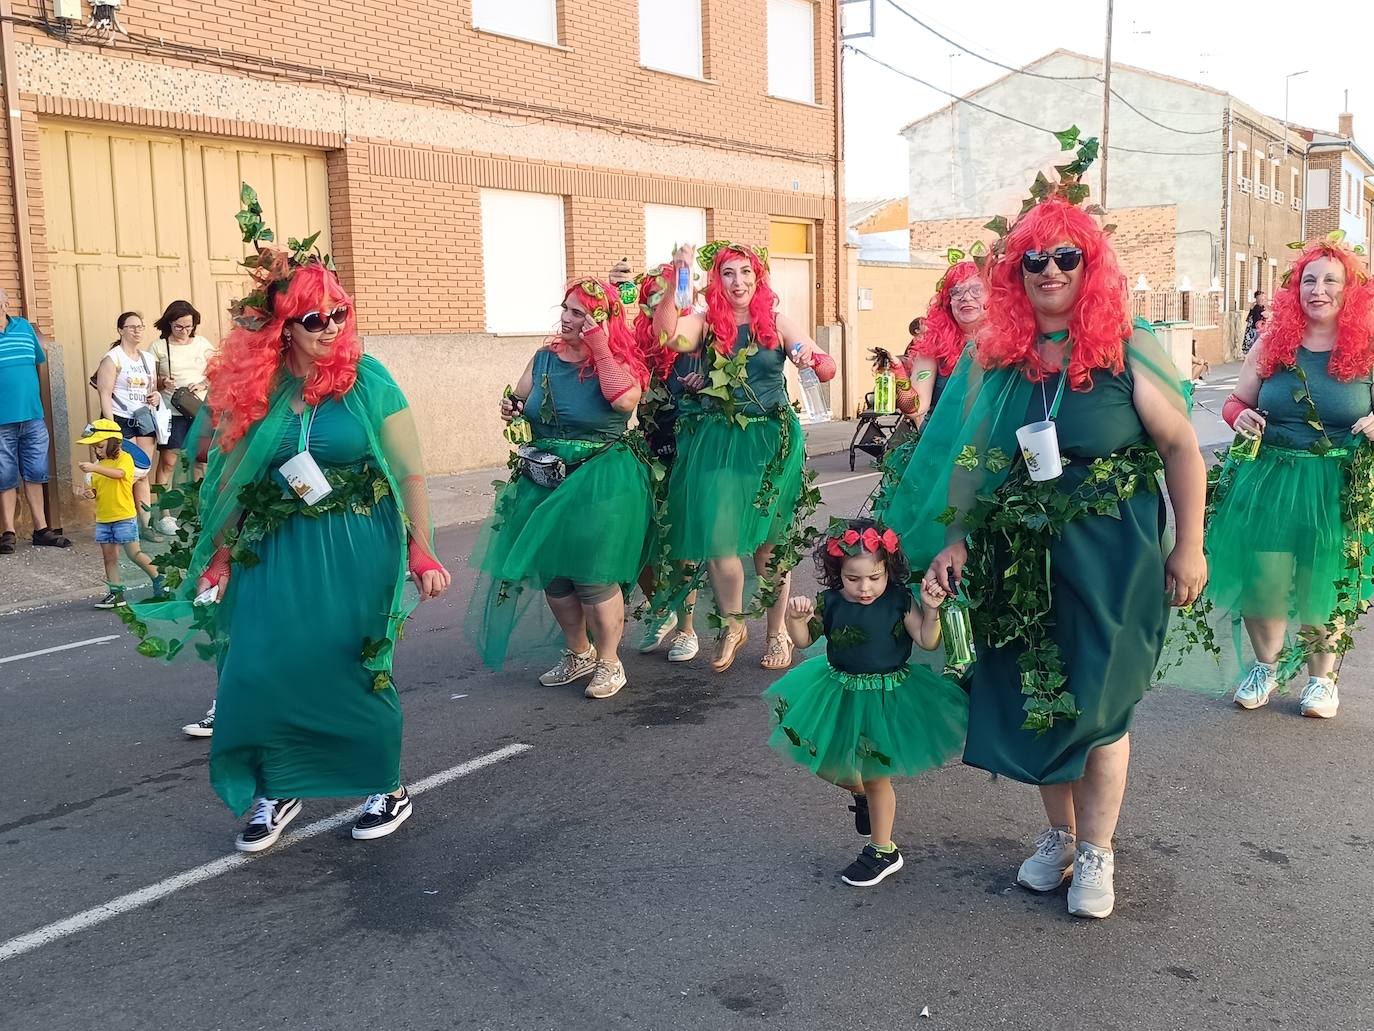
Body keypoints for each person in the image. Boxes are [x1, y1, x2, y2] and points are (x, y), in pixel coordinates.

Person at [127, 192, 450, 852]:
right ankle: (279, 785)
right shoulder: (258, 389)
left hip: (359, 541)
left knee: (353, 666)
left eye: (339, 312)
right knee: (262, 665)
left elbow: (407, 470)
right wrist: (217, 554)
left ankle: (383, 785)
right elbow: (231, 480)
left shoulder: (370, 380)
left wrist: (421, 551)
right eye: (314, 317)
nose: (331, 326)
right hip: (275, 544)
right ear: (283, 326)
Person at [914, 194, 1207, 919]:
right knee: (1041, 692)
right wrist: (955, 536)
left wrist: (1189, 546)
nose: (1049, 270)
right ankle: (1060, 835)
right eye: (1033, 259)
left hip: (1113, 553)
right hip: (1020, 556)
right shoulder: (999, 359)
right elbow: (970, 462)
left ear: (1091, 265)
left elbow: (1180, 447)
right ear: (1016, 273)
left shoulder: (1125, 347)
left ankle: (1098, 850)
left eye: (1065, 256)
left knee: (1102, 702)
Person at [650, 240, 837, 673]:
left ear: (759, 278)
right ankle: (732, 624)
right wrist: (674, 280)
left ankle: (776, 634)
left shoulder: (775, 321)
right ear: (717, 281)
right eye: (729, 273)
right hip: (718, 437)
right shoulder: (704, 325)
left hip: (771, 440)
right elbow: (667, 335)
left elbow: (825, 368)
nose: (739, 282)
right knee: (719, 538)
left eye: (746, 272)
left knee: (769, 546)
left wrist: (815, 358)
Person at [1208, 238, 1374, 719]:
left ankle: (1322, 680)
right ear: (1294, 290)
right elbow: (1236, 400)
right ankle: (1266, 666)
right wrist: (1237, 415)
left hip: (1338, 482)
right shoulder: (1271, 343)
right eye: (1308, 280)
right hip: (1271, 476)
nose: (1317, 290)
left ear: (1350, 292)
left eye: (1330, 281)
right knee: (1266, 577)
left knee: (1322, 580)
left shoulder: (1366, 347)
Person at [475, 277, 653, 700]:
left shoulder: (621, 361)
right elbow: (521, 397)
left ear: (605, 320)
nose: (569, 318)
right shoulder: (544, 358)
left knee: (594, 576)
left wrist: (599, 345)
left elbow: (624, 402)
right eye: (567, 309)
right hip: (547, 476)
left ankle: (610, 662)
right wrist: (511, 407)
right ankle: (579, 653)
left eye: (581, 313)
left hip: (601, 478)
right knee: (555, 575)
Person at [764, 518, 968, 887]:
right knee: (824, 762)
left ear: (887, 568)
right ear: (837, 572)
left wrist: (931, 609)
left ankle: (882, 849)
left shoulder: (899, 600)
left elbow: (927, 640)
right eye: (853, 578)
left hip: (888, 696)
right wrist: (795, 619)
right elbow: (803, 641)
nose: (865, 588)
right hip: (838, 691)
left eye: (874, 577)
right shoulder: (830, 602)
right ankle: (861, 796)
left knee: (876, 776)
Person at [871, 262, 987, 520]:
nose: (966, 297)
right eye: (956, 292)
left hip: (992, 453)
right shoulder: (932, 348)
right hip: (940, 456)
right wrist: (900, 375)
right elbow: (915, 407)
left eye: (976, 289)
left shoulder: (1012, 342)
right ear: (947, 303)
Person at [632, 262, 701, 663]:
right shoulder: (636, 345)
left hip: (689, 450)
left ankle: (688, 629)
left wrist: (701, 387)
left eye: (669, 295)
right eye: (654, 296)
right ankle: (661, 608)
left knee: (681, 543)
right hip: (646, 448)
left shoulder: (693, 340)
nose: (661, 304)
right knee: (640, 543)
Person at [0, 287, 69, 553]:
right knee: (5, 477)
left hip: (33, 417)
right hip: (2, 422)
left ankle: (41, 530)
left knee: (35, 474)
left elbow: (37, 363)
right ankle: (7, 532)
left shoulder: (25, 329)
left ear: (6, 303)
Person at [76, 419, 165, 608]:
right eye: (94, 448)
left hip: (124, 517)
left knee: (134, 553)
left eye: (99, 446)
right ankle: (116, 593)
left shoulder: (124, 459)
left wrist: (94, 468)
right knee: (109, 557)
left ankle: (159, 579)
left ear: (113, 441)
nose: (97, 451)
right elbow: (96, 489)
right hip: (104, 518)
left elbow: (120, 474)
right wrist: (88, 493)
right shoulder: (97, 467)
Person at [95, 312, 161, 540]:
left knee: (143, 473)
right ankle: (122, 522)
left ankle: (147, 524)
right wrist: (111, 427)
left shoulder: (148, 359)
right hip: (121, 419)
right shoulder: (113, 358)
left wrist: (156, 397)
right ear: (121, 330)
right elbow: (105, 394)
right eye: (132, 327)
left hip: (144, 418)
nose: (137, 331)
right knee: (125, 472)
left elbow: (152, 388)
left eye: (140, 327)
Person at [150, 300, 216, 518]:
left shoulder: (202, 344)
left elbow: (219, 369)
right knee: (168, 461)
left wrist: (203, 384)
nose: (184, 331)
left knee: (200, 460)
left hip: (199, 410)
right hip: (171, 410)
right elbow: (149, 381)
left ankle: (198, 509)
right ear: (169, 323)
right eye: (179, 326)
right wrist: (162, 383)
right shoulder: (159, 347)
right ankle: (164, 513)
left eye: (189, 326)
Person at [1243, 290, 1267, 354]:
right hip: (1256, 330)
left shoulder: (1261, 307)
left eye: (1263, 298)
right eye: (1259, 298)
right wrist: (1264, 316)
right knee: (1257, 345)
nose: (1261, 300)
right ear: (1256, 299)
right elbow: (1257, 320)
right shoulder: (1257, 307)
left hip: (1259, 329)